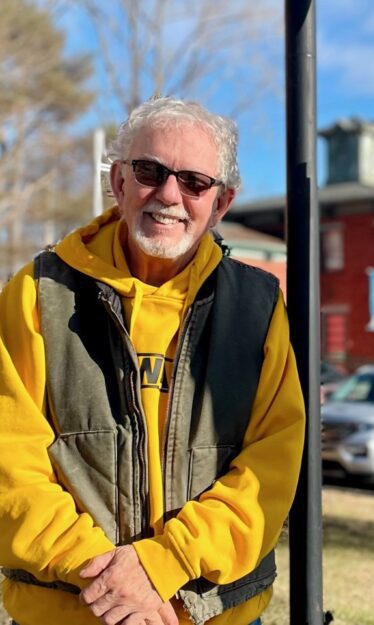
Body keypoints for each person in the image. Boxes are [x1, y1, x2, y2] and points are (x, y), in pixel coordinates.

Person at [0, 96, 305, 625]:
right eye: (149, 171)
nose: (169, 194)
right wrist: (111, 583)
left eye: (194, 181)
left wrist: (165, 564)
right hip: (70, 612)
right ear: (118, 182)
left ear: (222, 202)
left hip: (213, 614)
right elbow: (9, 461)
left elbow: (271, 464)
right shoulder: (34, 293)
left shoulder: (258, 307)